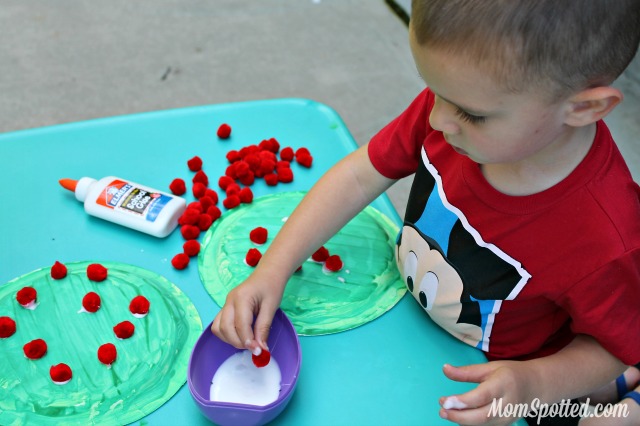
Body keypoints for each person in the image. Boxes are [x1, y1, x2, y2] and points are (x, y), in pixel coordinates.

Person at [212, 0, 640, 424]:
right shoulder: (457, 109)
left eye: (472, 113)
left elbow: (612, 346)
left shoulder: (607, 238)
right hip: (415, 333)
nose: (436, 119)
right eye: (434, 91)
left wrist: (533, 383)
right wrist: (273, 269)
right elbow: (359, 176)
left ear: (583, 108)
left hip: (513, 381)